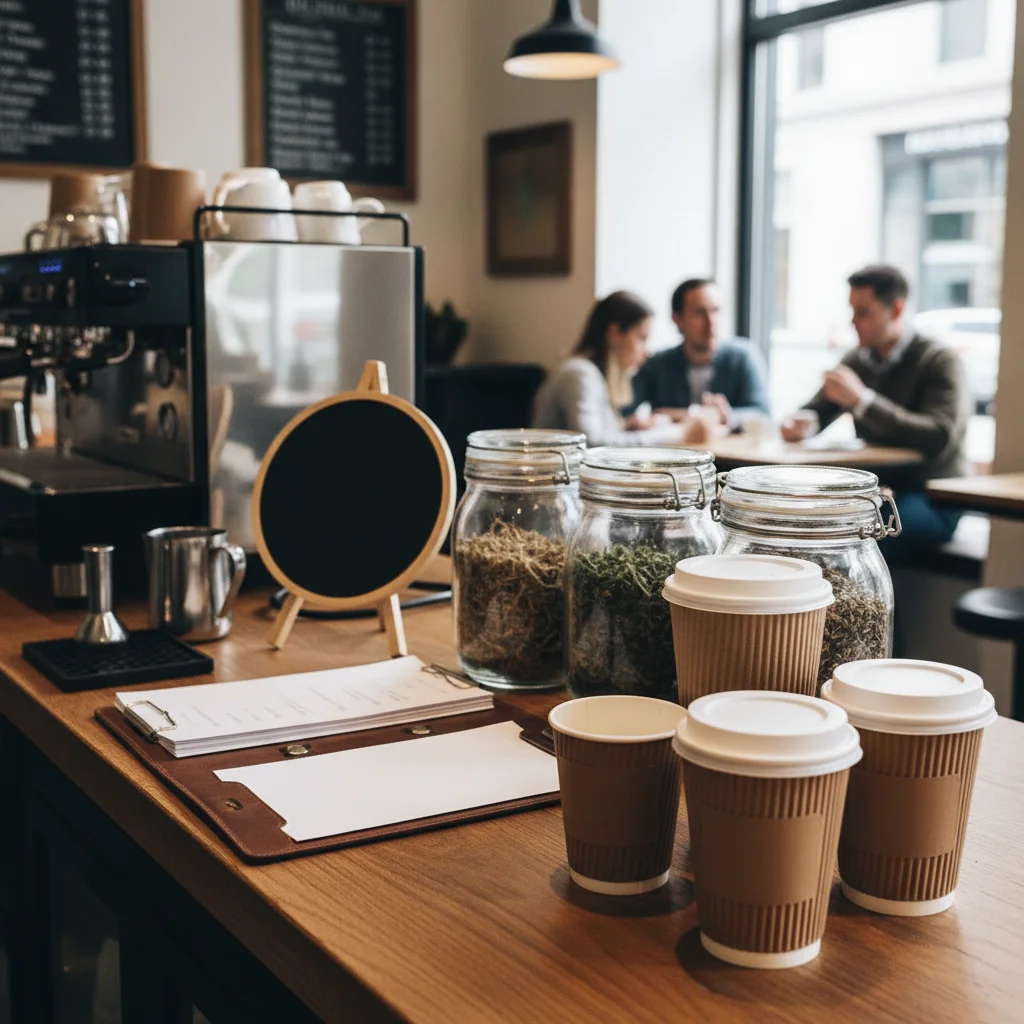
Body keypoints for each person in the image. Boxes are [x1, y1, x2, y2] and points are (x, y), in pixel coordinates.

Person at [781, 264, 970, 553]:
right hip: (878, 494)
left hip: (930, 497)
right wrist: (801, 424)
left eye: (863, 312)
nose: (853, 321)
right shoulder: (857, 360)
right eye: (852, 311)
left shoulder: (938, 360)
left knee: (861, 533)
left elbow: (938, 436)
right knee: (807, 522)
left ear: (896, 310)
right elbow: (818, 411)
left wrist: (863, 401)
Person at [532, 291, 693, 447]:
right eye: (641, 338)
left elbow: (599, 434)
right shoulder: (579, 373)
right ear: (614, 333)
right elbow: (591, 443)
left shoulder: (593, 375)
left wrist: (625, 426)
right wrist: (676, 434)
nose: (647, 352)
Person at [627, 278, 770, 430]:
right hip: (673, 445)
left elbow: (762, 414)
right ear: (677, 318)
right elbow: (623, 408)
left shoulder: (743, 357)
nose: (711, 321)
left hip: (727, 446)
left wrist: (725, 415)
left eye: (716, 310)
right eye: (700, 313)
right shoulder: (658, 364)